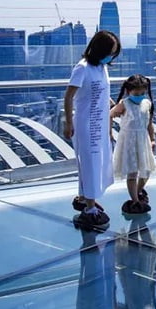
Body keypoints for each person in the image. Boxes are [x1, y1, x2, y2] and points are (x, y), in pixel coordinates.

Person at [64, 30, 120, 231]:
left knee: (100, 161)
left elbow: (102, 92)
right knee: (89, 163)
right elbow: (69, 97)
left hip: (101, 123)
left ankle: (86, 197)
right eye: (110, 52)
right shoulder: (82, 68)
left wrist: (113, 104)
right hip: (86, 124)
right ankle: (89, 208)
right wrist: (68, 123)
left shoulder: (102, 68)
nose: (111, 56)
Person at [110, 74, 156, 215]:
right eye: (136, 93)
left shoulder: (147, 103)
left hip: (142, 139)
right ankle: (135, 200)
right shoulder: (124, 104)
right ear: (129, 91)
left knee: (147, 170)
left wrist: (152, 138)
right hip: (128, 140)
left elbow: (149, 123)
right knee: (132, 171)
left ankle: (137, 191)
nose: (140, 96)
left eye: (142, 93)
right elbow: (110, 114)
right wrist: (109, 132)